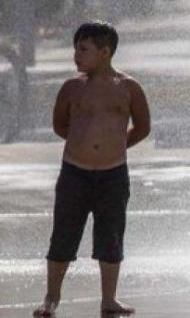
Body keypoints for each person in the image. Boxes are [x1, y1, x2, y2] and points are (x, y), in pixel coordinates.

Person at [34, 22, 151, 316]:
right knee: (63, 235)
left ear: (105, 52)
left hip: (113, 174)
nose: (76, 55)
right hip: (75, 172)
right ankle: (51, 297)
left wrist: (116, 146)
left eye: (83, 49)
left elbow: (143, 126)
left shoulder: (129, 87)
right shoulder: (72, 87)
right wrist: (83, 143)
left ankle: (109, 299)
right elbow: (60, 125)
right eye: (75, 49)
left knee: (111, 236)